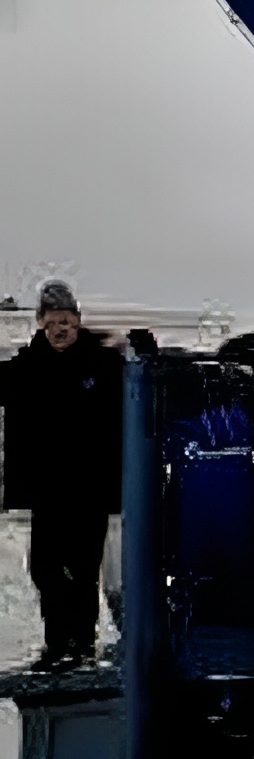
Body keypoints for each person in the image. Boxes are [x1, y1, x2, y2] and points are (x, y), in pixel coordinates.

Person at [0, 280, 123, 663]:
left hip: (90, 491)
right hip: (47, 493)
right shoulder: (26, 367)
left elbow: (140, 387)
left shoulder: (102, 365)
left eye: (67, 321)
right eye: (54, 321)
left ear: (78, 321)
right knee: (46, 571)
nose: (61, 329)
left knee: (83, 572)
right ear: (40, 323)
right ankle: (58, 644)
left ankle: (81, 646)